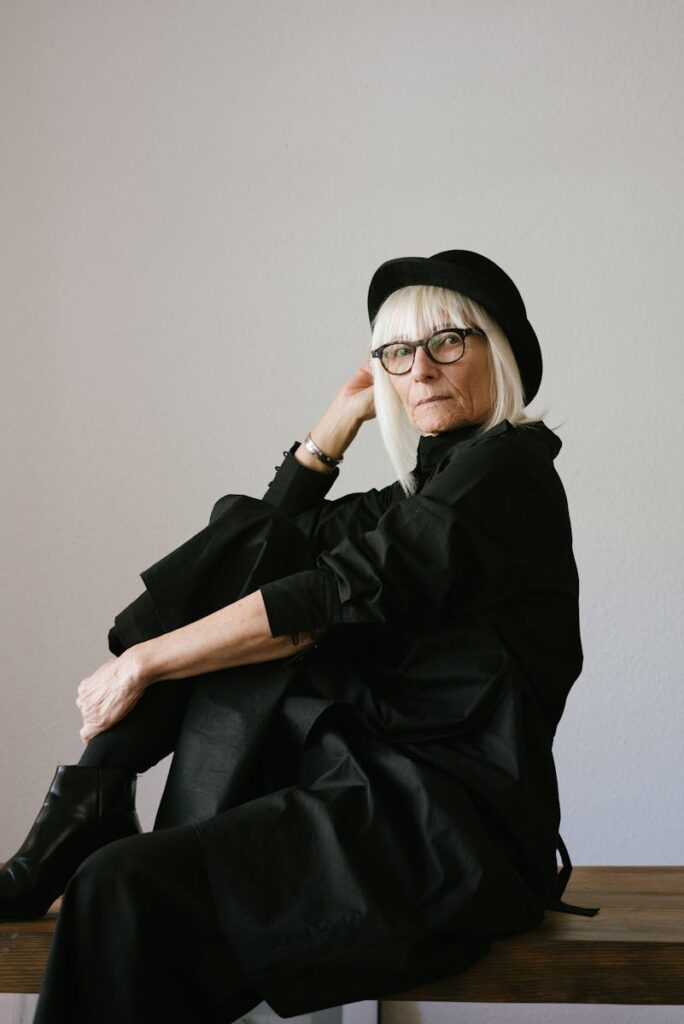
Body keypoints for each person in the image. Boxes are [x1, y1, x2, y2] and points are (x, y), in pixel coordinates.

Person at [0, 249, 599, 1023]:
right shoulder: (429, 488)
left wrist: (143, 662)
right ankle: (92, 805)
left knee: (118, 887)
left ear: (499, 349)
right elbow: (261, 551)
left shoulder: (506, 476)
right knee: (246, 547)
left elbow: (323, 596)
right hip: (367, 787)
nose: (419, 369)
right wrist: (333, 429)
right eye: (396, 352)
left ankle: (81, 819)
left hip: (444, 831)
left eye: (448, 341)